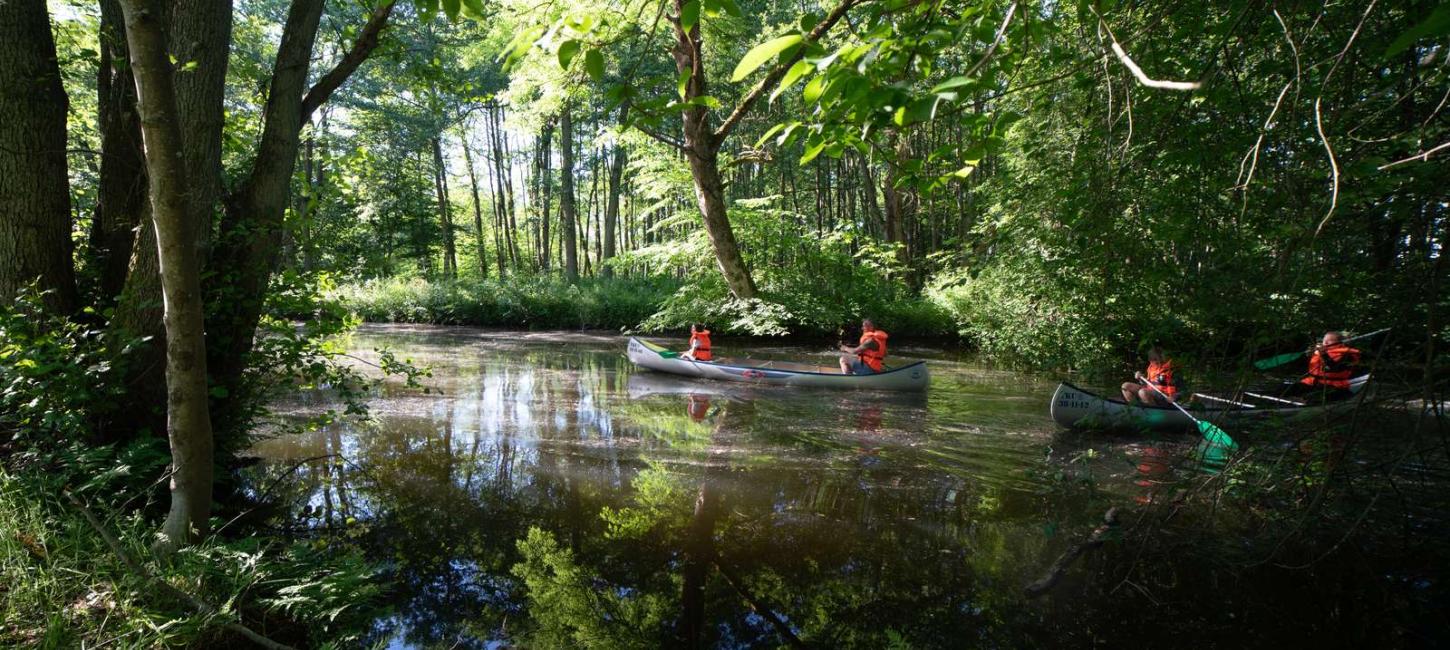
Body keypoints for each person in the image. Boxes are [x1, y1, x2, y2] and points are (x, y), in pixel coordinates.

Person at [1287, 331, 1361, 399]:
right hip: (1313, 382)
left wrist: (1324, 354)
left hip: (1334, 386)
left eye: (1329, 340)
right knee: (1286, 388)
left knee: (1313, 397)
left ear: (1339, 343)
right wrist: (1308, 356)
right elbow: (1308, 368)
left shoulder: (1347, 354)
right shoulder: (1320, 352)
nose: (1325, 342)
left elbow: (1336, 368)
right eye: (1324, 340)